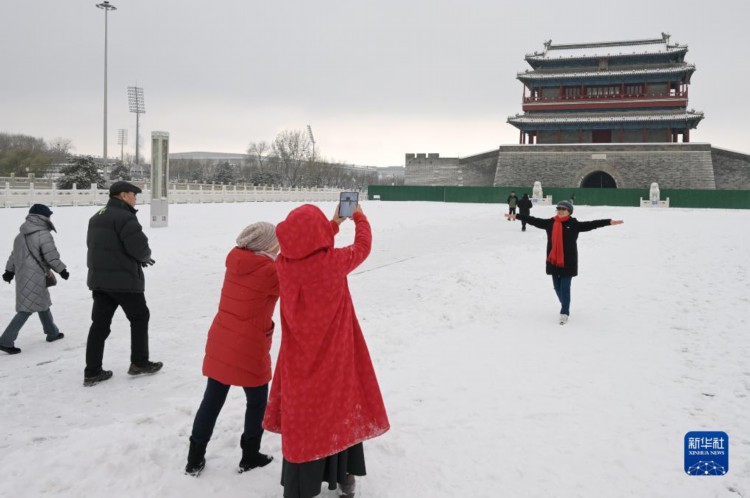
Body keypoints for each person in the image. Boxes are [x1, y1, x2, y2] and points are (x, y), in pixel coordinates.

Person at [263, 203, 390, 498]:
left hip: (297, 362)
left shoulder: (283, 265)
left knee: (304, 421)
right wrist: (358, 216)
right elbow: (364, 245)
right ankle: (345, 478)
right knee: (339, 411)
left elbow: (304, 246)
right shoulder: (333, 262)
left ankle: (301, 488)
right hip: (335, 357)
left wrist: (333, 224)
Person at [185, 222, 280, 477]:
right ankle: (250, 455)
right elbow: (298, 277)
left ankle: (194, 458)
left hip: (222, 339)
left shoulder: (237, 260)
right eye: (276, 242)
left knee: (212, 400)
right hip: (249, 345)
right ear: (267, 245)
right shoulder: (269, 271)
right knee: (257, 402)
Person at [83, 181, 161, 386]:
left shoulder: (96, 217)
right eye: (134, 195)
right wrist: (145, 257)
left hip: (100, 280)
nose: (135, 200)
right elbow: (139, 247)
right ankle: (139, 362)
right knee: (140, 317)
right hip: (124, 280)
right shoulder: (125, 217)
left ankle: (92, 371)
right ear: (124, 195)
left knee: (99, 325)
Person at [506, 200, 623, 325]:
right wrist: (517, 216)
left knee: (565, 287)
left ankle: (564, 312)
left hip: (568, 261)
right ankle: (565, 303)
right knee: (557, 287)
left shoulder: (574, 224)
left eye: (563, 209)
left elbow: (592, 224)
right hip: (553, 261)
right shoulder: (550, 223)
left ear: (569, 211)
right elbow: (533, 220)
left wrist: (608, 222)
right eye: (559, 209)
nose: (560, 211)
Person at [1, 204, 68, 354]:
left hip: (23, 275)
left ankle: (52, 332)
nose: (50, 218)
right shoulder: (43, 235)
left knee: (41, 302)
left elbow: (14, 255)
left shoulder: (20, 235)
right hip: (36, 275)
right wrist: (62, 270)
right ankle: (5, 340)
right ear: (42, 217)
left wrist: (9, 271)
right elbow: (51, 256)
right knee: (26, 308)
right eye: (49, 215)